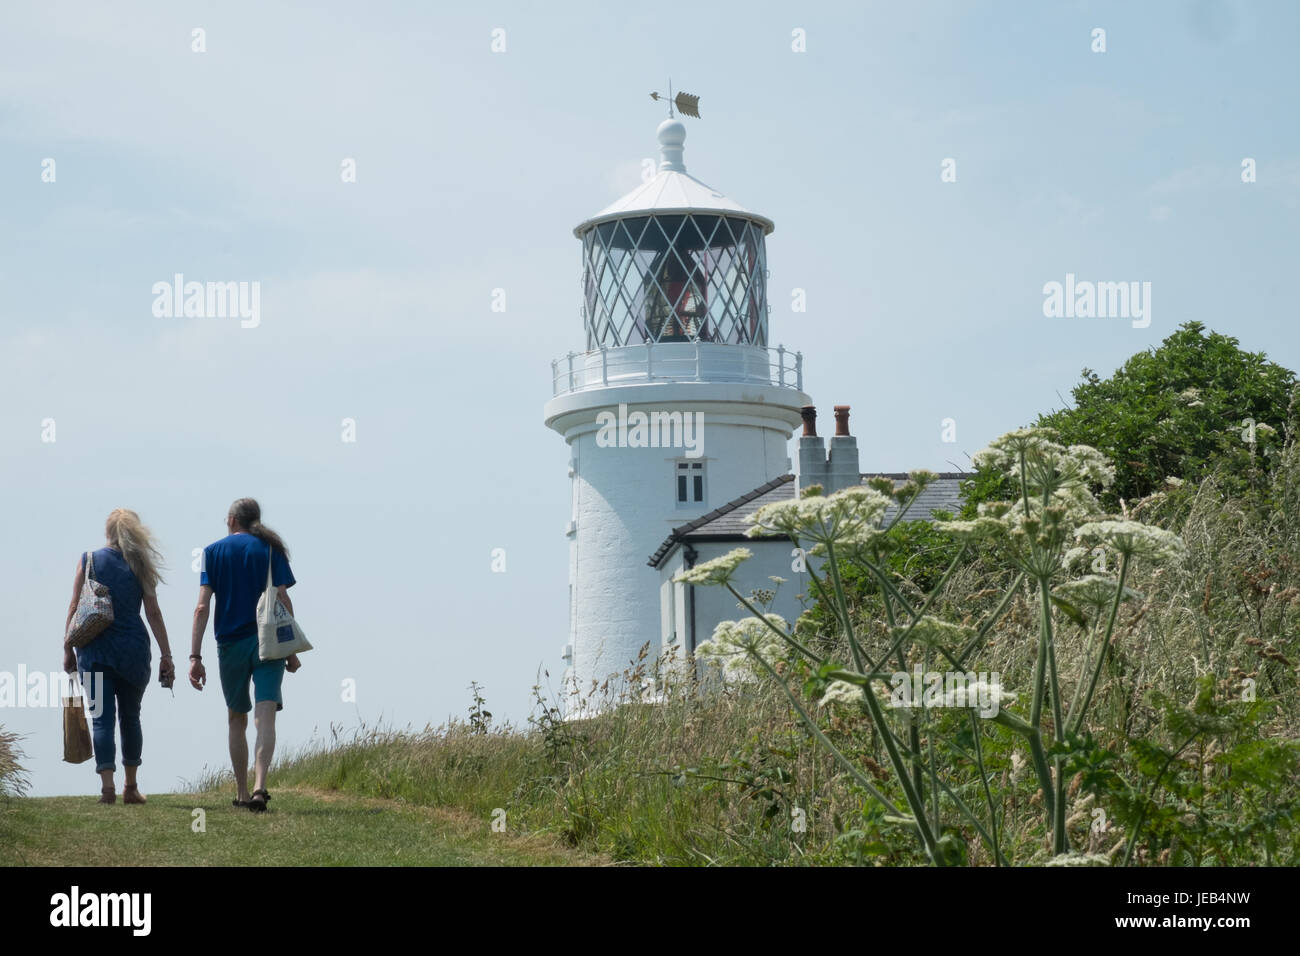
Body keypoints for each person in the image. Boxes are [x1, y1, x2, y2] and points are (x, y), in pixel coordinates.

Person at [189, 498, 300, 812]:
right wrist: (290, 649)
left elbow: (201, 607)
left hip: (230, 644)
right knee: (265, 716)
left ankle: (240, 793)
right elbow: (282, 597)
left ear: (231, 519)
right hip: (268, 643)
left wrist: (194, 656)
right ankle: (259, 787)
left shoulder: (212, 553)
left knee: (236, 719)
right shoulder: (270, 549)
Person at [63, 509, 174, 804]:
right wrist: (167, 654)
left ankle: (107, 789)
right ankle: (131, 787)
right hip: (133, 653)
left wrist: (66, 648)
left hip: (94, 651)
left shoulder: (89, 560)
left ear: (107, 532)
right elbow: (153, 612)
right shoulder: (141, 565)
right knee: (130, 717)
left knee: (101, 720)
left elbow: (74, 606)